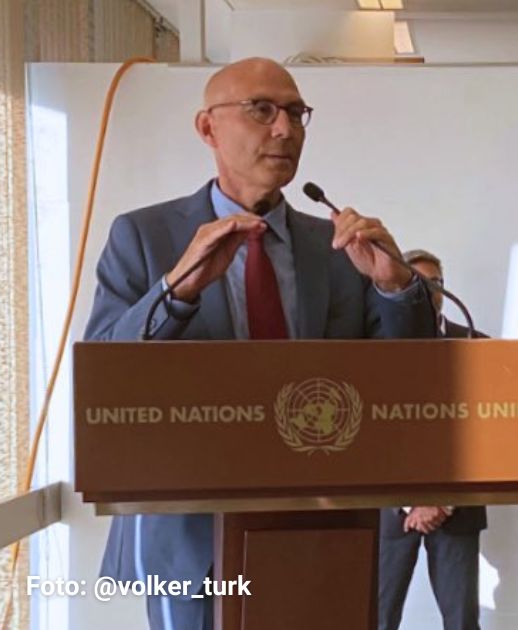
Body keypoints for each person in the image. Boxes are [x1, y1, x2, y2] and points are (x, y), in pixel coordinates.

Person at [85, 57, 437, 630]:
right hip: (191, 537)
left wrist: (395, 287)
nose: (284, 129)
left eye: (297, 113)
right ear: (208, 128)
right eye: (262, 110)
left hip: (323, 532)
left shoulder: (338, 246)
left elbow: (409, 379)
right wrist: (176, 291)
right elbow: (102, 369)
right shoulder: (146, 235)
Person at [378, 249, 487, 630]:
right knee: (376, 618)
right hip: (391, 511)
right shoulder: (372, 347)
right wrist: (413, 502)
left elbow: (484, 434)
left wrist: (442, 499)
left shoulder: (476, 345)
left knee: (462, 621)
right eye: (417, 283)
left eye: (434, 283)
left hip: (458, 511)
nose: (428, 290)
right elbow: (373, 437)